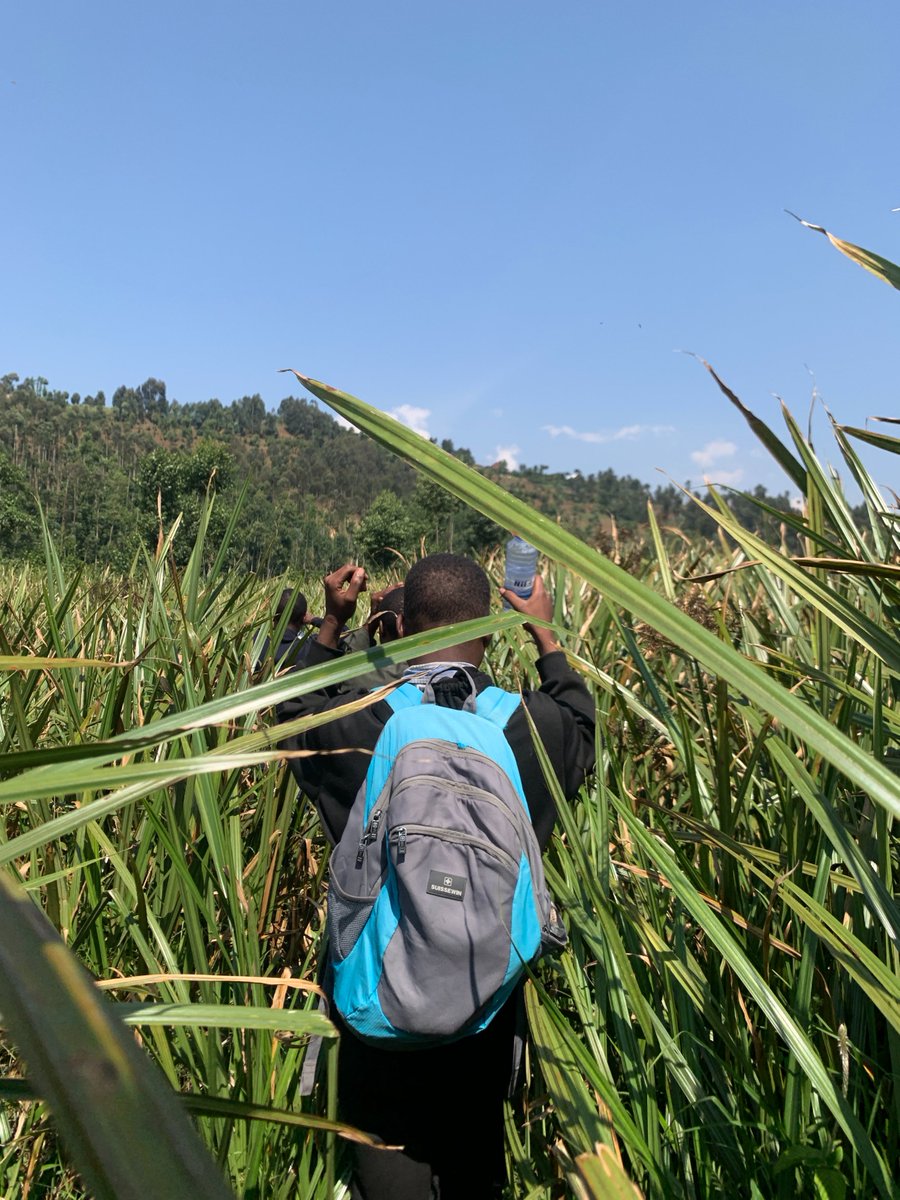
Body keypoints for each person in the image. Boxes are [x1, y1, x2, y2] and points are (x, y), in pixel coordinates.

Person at [277, 554, 595, 1199]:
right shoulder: (532, 726)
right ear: (491, 622)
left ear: (403, 625)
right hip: (484, 1002)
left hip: (377, 1011)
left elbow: (293, 708)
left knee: (386, 1169)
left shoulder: (363, 721)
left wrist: (334, 625)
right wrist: (543, 632)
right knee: (474, 1171)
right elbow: (581, 720)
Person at [259, 588, 321, 672]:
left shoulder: (258, 643)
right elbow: (343, 632)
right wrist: (313, 619)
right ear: (303, 618)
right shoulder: (310, 648)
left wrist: (271, 624)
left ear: (274, 615)